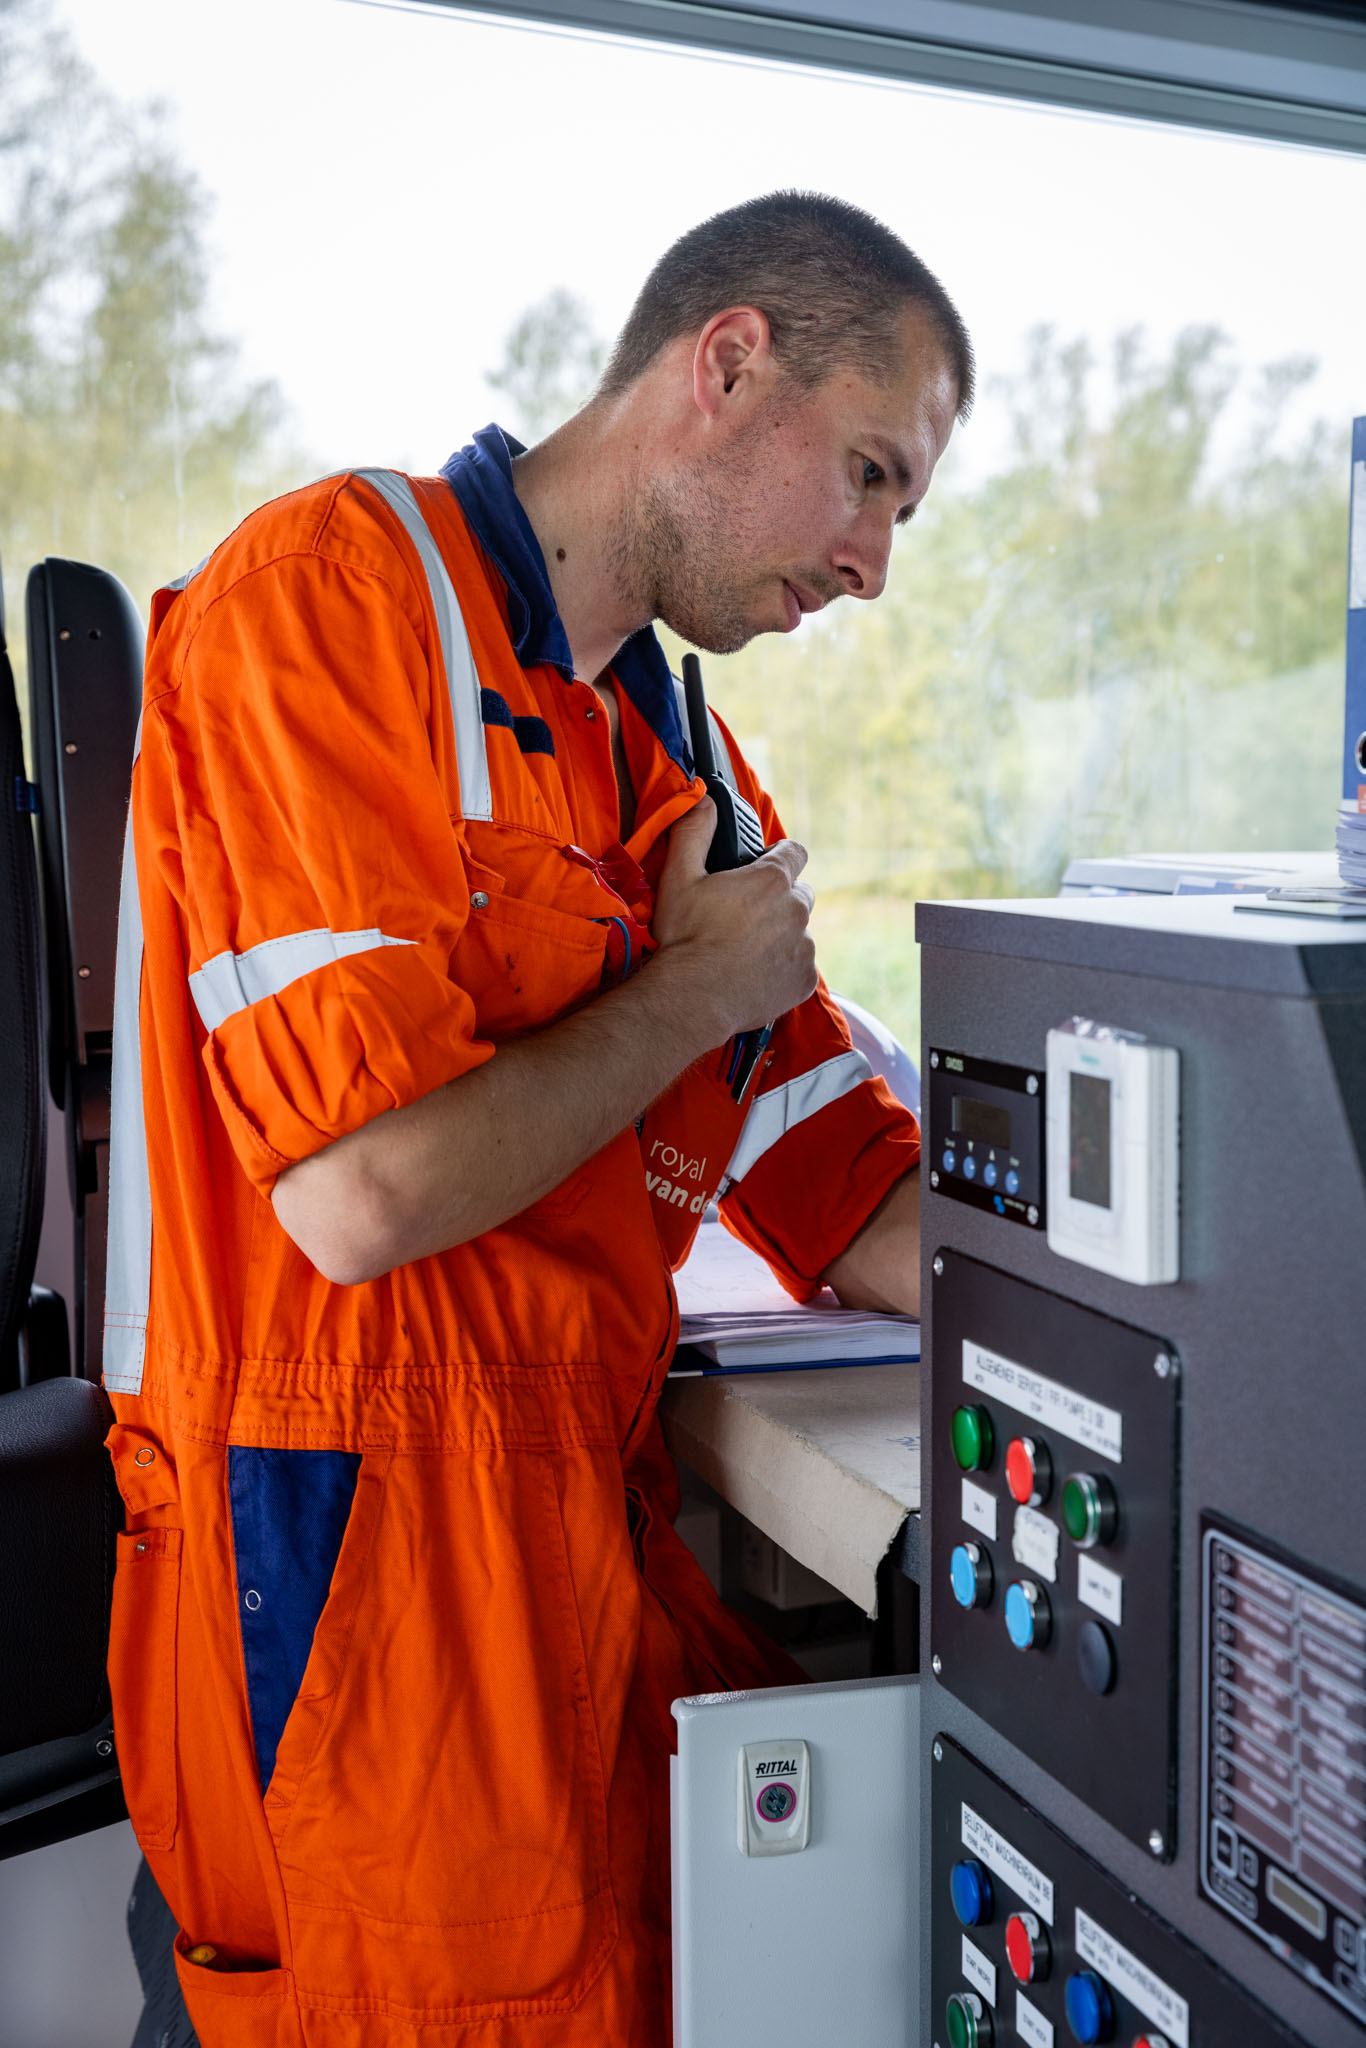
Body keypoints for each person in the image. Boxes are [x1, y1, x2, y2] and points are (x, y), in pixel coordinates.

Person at [105, 189, 971, 2048]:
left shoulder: (679, 758)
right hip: (352, 1575)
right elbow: (360, 1193)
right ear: (727, 364)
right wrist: (687, 995)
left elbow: (851, 1191)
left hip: (578, 1532)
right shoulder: (333, 604)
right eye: (872, 475)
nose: (877, 562)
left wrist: (1195, 1322)